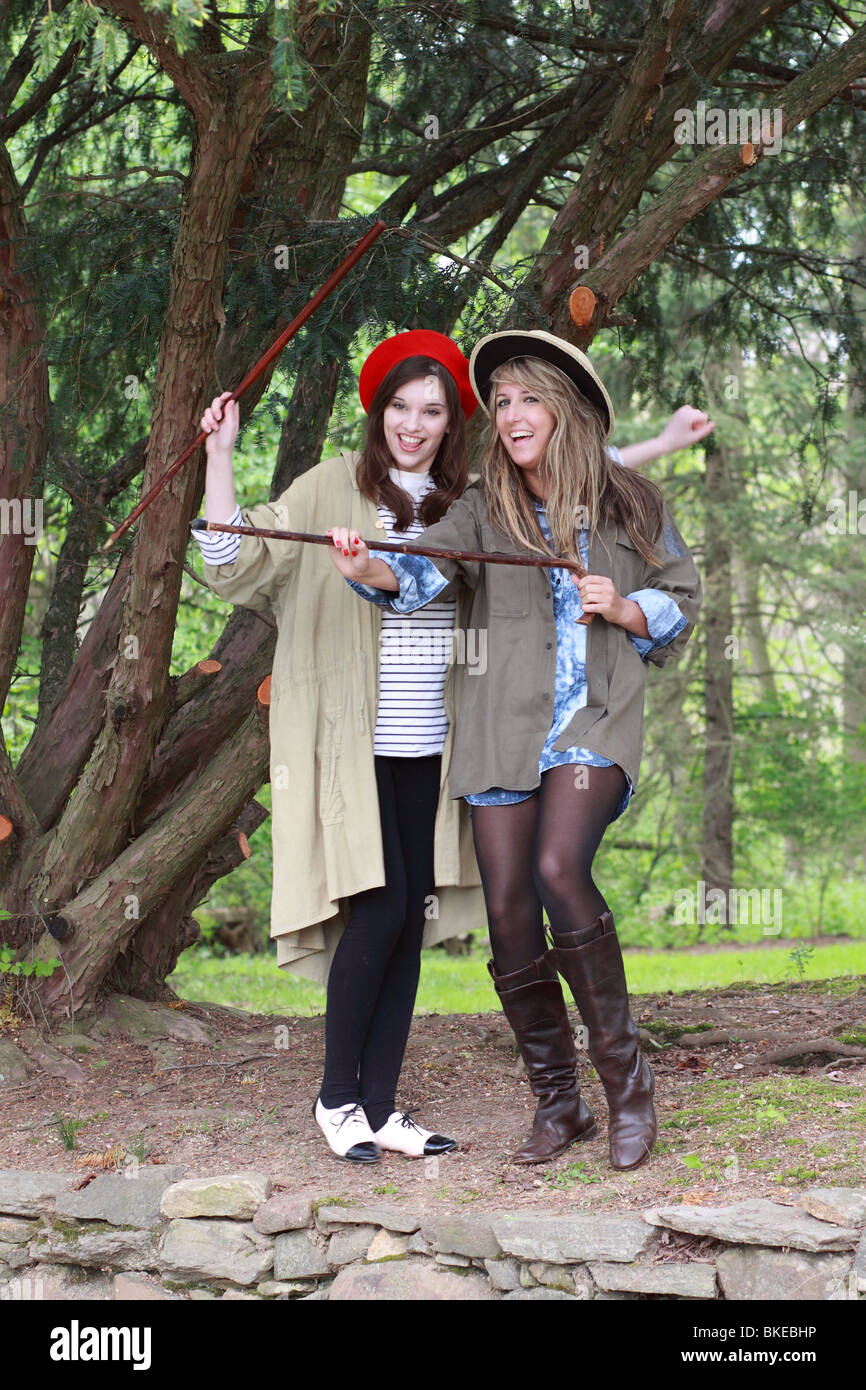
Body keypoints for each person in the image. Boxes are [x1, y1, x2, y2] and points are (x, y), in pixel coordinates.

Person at [327, 329, 704, 1172]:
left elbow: (681, 595)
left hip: (593, 720)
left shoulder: (629, 500)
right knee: (507, 912)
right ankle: (557, 1105)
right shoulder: (482, 506)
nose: (511, 415)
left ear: (563, 407)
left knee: (559, 868)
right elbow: (422, 571)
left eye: (527, 398)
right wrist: (370, 566)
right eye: (498, 403)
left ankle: (627, 1090)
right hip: (502, 731)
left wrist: (625, 606)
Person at [192, 331, 485, 1162]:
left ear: (452, 419)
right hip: (349, 745)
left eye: (431, 410)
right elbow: (230, 555)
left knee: (407, 921)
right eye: (400, 406)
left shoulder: (466, 504)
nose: (414, 424)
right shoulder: (331, 487)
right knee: (380, 908)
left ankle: (382, 1107)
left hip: (432, 747)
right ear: (377, 409)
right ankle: (335, 1098)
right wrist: (222, 453)